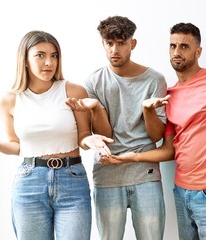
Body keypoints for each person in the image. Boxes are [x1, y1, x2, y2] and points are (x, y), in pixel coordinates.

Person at [0, 30, 96, 240]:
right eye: (40, 55)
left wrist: (90, 140)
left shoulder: (74, 92)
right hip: (29, 182)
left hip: (72, 179)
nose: (49, 62)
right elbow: (16, 146)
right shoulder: (9, 100)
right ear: (25, 60)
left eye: (54, 55)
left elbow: (83, 135)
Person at [140, 22, 206, 239]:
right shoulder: (169, 94)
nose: (177, 52)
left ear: (198, 51)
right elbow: (166, 145)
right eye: (172, 46)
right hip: (181, 190)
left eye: (184, 47)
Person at [67, 16, 168, 240]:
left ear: (133, 44)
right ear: (102, 43)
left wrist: (148, 110)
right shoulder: (93, 81)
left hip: (145, 174)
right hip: (107, 174)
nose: (115, 49)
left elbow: (157, 135)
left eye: (121, 43)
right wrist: (96, 108)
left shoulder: (154, 80)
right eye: (109, 43)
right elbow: (105, 136)